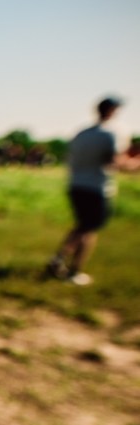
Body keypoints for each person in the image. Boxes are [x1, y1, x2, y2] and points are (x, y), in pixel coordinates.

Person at [46, 96, 140, 286]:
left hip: (75, 185)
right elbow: (115, 162)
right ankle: (74, 271)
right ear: (112, 111)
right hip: (97, 187)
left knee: (81, 226)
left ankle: (58, 259)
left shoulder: (81, 133)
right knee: (89, 230)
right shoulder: (110, 134)